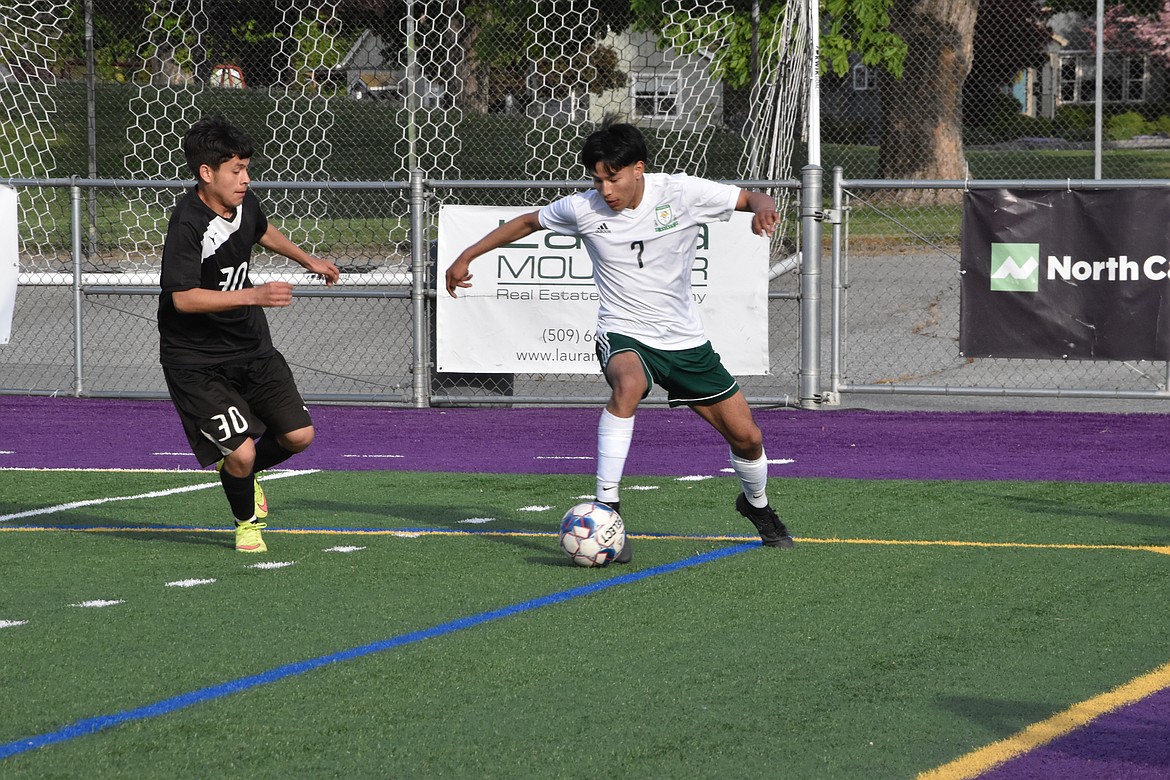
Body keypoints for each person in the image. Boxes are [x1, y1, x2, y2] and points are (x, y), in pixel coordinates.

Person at [445, 118, 794, 561]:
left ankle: (756, 506)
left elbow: (750, 197)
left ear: (638, 169)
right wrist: (465, 255)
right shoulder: (583, 208)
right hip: (623, 331)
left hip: (685, 342)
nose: (605, 189)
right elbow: (527, 223)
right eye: (597, 178)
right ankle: (607, 510)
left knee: (748, 439)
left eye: (613, 177)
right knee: (628, 385)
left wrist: (762, 208)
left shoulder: (681, 193)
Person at [158, 116, 340, 553]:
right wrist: (252, 295)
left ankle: (249, 474)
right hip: (196, 360)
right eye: (235, 171)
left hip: (252, 348)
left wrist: (306, 260)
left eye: (246, 169)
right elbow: (182, 298)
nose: (245, 179)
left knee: (300, 437)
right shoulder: (188, 224)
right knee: (239, 454)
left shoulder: (243, 203)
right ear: (206, 173)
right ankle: (245, 523)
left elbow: (260, 230)